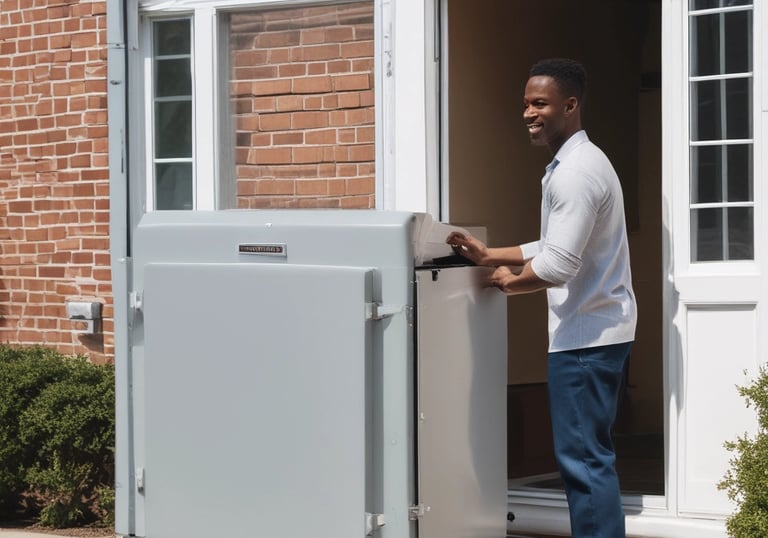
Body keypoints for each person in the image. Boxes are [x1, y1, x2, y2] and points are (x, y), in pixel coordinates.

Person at [447, 58, 637, 538]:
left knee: (584, 464)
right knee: (590, 459)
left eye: (540, 103)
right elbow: (554, 245)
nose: (528, 113)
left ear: (570, 106)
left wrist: (510, 283)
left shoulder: (575, 175)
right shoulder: (580, 164)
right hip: (596, 334)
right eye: (526, 104)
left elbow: (557, 265)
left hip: (585, 340)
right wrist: (491, 255)